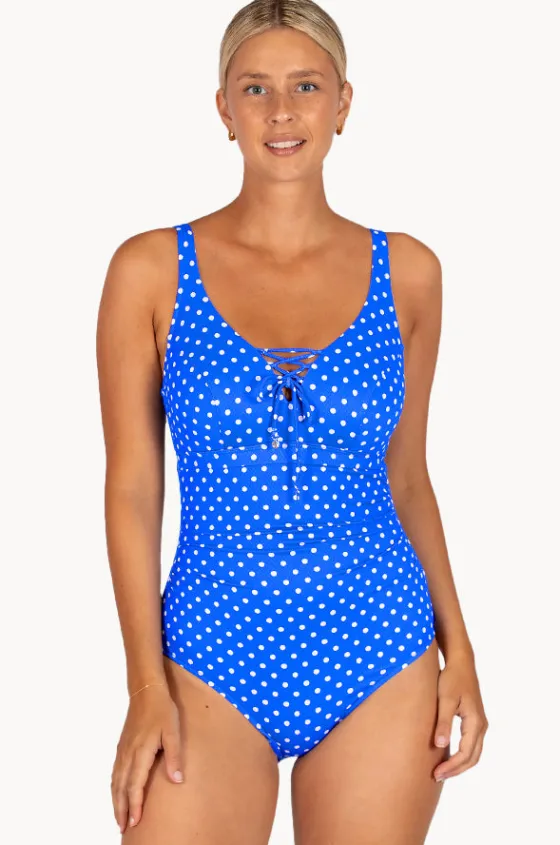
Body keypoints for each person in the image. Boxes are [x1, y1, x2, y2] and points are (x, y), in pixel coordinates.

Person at [96, 1, 489, 841]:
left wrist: (460, 651)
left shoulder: (409, 273)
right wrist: (144, 685)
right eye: (256, 88)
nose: (281, 111)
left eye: (306, 86)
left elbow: (408, 477)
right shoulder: (151, 270)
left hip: (381, 643)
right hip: (208, 650)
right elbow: (132, 489)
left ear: (343, 103)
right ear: (223, 108)